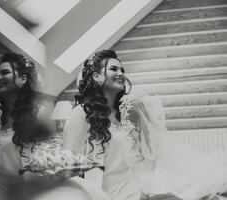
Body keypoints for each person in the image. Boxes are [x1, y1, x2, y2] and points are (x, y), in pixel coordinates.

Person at [63, 50, 227, 200]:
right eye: (114, 69)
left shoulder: (124, 114)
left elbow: (144, 156)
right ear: (96, 76)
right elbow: (68, 171)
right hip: (109, 194)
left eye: (122, 70)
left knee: (200, 191)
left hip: (136, 187)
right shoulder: (81, 113)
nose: (121, 73)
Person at [0, 52, 110, 200]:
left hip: (31, 186)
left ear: (22, 79)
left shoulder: (37, 113)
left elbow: (45, 152)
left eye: (5, 73)